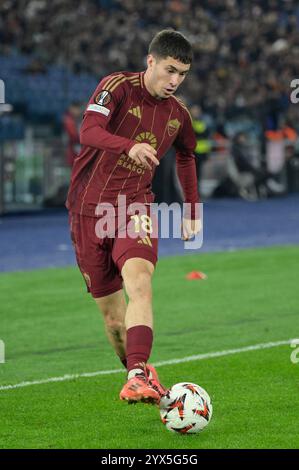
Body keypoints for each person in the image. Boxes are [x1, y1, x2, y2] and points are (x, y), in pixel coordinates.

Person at [66, 30, 201, 405]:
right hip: (86, 212)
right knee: (113, 322)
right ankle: (139, 372)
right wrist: (130, 145)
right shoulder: (117, 87)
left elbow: (188, 155)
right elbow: (88, 130)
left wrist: (191, 209)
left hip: (133, 208)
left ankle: (138, 372)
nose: (174, 81)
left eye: (183, 74)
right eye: (170, 70)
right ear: (151, 62)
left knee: (140, 281)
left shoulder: (178, 115)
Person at [63, 102, 82, 167]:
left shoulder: (79, 119)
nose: (77, 111)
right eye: (76, 109)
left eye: (78, 109)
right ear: (71, 109)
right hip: (72, 148)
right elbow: (73, 136)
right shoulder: (68, 120)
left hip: (78, 147)